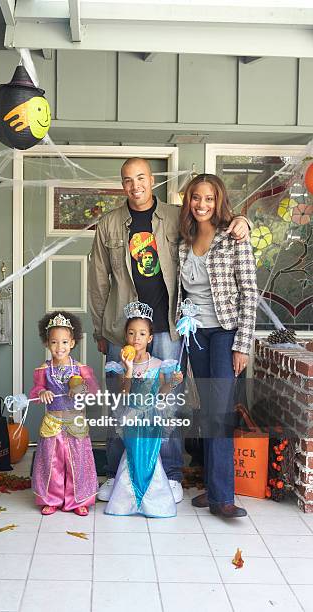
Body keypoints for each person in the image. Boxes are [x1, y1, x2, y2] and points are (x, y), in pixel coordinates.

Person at [88, 157, 250, 503]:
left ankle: (172, 474)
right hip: (122, 328)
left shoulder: (176, 218)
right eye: (128, 180)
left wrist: (242, 221)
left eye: (142, 178)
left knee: (169, 404)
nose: (136, 186)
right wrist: (100, 328)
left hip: (168, 329)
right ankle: (119, 475)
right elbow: (98, 280)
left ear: (152, 180)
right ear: (123, 185)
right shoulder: (110, 224)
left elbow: (213, 221)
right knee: (121, 403)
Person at [177, 174, 258, 518]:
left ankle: (224, 497)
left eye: (209, 199)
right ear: (189, 201)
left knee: (222, 410)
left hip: (225, 333)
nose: (202, 205)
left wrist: (242, 345)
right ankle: (213, 489)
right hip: (195, 334)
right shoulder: (183, 240)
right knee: (207, 410)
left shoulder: (233, 238)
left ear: (218, 201)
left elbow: (250, 293)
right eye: (196, 198)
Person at [105, 301, 184, 518]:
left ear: (150, 338)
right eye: (131, 333)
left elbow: (162, 392)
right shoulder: (120, 366)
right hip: (131, 418)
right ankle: (126, 500)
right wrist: (128, 370)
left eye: (141, 334)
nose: (136, 338)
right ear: (125, 337)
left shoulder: (159, 364)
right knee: (131, 456)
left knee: (150, 458)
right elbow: (124, 393)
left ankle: (153, 501)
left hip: (151, 421)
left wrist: (173, 382)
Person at [29, 311, 99, 516]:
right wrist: (42, 392)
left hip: (74, 422)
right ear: (46, 343)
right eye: (54, 342)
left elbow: (93, 389)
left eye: (64, 342)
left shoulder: (80, 369)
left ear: (73, 343)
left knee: (77, 461)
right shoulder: (43, 369)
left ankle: (79, 499)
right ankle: (51, 498)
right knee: (52, 461)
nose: (59, 348)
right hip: (53, 422)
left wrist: (81, 388)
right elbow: (35, 390)